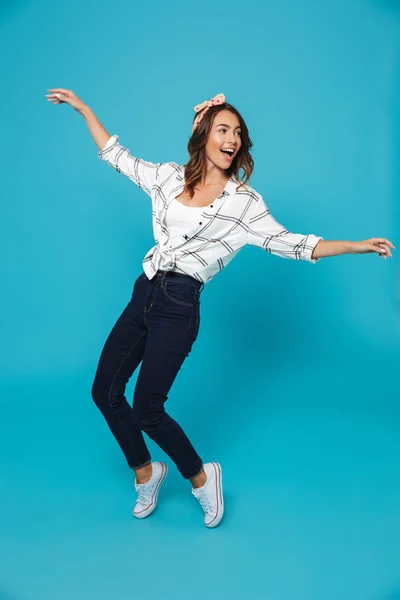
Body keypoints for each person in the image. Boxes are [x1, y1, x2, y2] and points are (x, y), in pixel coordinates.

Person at [46, 89, 395, 528]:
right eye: (223, 129)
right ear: (203, 135)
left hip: (179, 306)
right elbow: (117, 156)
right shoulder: (169, 178)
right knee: (105, 392)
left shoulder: (244, 203)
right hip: (145, 293)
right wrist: (83, 109)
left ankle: (200, 477)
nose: (232, 139)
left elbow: (293, 243)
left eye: (238, 133)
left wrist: (356, 246)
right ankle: (146, 472)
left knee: (148, 408)